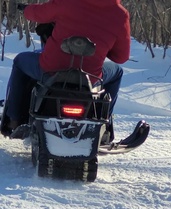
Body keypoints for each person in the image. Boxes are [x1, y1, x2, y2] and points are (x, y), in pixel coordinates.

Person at [4, 0, 130, 135]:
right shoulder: (120, 14)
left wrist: (27, 9)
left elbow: (38, 13)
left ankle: (14, 119)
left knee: (19, 61)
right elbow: (121, 57)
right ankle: (102, 124)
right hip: (90, 76)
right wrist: (103, 47)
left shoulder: (68, 2)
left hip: (51, 70)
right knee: (117, 72)